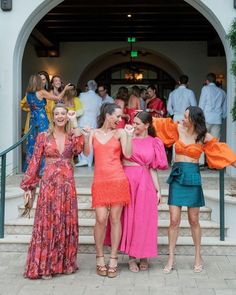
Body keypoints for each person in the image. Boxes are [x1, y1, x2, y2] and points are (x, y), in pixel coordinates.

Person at [153, 106, 236, 273]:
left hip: (193, 178)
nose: (183, 119)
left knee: (194, 220)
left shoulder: (204, 136)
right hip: (177, 177)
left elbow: (222, 152)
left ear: (194, 119)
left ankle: (198, 255)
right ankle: (171, 257)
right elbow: (155, 124)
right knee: (174, 220)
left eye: (186, 117)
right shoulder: (176, 128)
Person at [20, 104, 84, 279]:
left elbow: (79, 149)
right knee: (48, 223)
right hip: (49, 185)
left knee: (65, 221)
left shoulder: (72, 136)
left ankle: (63, 264)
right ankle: (45, 265)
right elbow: (34, 161)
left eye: (63, 113)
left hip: (67, 185)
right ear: (52, 116)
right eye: (57, 113)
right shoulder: (43, 136)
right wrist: (28, 185)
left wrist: (75, 121)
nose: (60, 116)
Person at [82, 103, 134, 278]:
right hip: (100, 180)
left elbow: (127, 154)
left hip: (118, 179)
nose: (119, 120)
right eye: (117, 117)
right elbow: (87, 152)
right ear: (107, 115)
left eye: (120, 118)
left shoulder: (120, 133)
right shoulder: (94, 133)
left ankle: (113, 258)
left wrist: (130, 135)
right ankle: (99, 257)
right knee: (100, 219)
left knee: (114, 219)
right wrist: (86, 135)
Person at [120, 111, 168, 272]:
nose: (134, 125)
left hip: (145, 182)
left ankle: (144, 255)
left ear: (147, 125)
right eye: (134, 123)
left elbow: (153, 168)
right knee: (130, 219)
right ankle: (132, 257)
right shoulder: (128, 138)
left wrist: (158, 190)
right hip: (128, 181)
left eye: (138, 123)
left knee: (144, 219)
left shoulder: (154, 142)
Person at [24, 74, 71, 172]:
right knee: (45, 142)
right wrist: (65, 89)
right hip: (41, 118)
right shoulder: (41, 92)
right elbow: (57, 98)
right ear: (38, 82)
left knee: (33, 143)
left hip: (32, 119)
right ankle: (43, 169)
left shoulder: (27, 93)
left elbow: (28, 105)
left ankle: (31, 168)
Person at [77, 80, 102, 167]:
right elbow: (99, 113)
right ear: (96, 88)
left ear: (87, 86)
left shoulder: (82, 95)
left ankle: (82, 159)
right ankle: (89, 162)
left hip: (83, 119)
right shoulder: (99, 98)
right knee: (90, 141)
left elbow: (79, 107)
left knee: (81, 140)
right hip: (93, 121)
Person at [199, 73, 227, 140]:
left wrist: (199, 118)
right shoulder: (222, 92)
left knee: (203, 141)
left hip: (206, 118)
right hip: (217, 119)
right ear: (215, 80)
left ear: (207, 81)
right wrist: (222, 117)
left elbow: (201, 105)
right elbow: (225, 108)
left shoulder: (205, 89)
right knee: (215, 142)